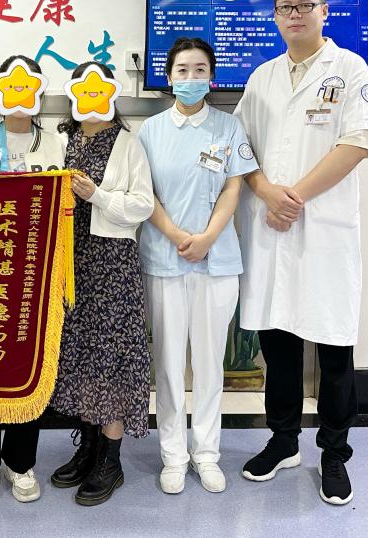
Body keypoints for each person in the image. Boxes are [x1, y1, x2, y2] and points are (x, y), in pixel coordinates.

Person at [233, 0, 368, 506]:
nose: (295, 14)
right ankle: (282, 442)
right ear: (275, 17)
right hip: (270, 230)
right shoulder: (263, 77)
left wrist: (292, 197)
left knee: (334, 348)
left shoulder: (349, 69)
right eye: (286, 8)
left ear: (325, 11)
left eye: (305, 5)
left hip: (322, 231)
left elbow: (359, 142)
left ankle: (334, 454)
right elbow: (240, 147)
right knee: (277, 345)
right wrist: (265, 192)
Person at [137, 37, 257, 495]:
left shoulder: (228, 127)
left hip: (217, 260)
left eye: (200, 70)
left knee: (209, 364)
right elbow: (145, 193)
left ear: (212, 78)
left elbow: (234, 189)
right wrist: (175, 235)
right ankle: (173, 455)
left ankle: (207, 454)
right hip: (164, 258)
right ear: (169, 77)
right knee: (168, 365)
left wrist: (206, 239)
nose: (191, 78)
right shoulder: (149, 131)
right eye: (183, 70)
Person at [0, 55, 67, 508]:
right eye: (12, 85)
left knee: (29, 368)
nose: (20, 94)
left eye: (29, 86)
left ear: (39, 93)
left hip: (37, 276)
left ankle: (21, 463)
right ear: (0, 90)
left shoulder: (56, 146)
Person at [49, 62, 154, 507]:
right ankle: (88, 447)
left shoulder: (128, 143)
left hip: (112, 264)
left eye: (99, 90)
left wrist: (97, 195)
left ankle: (111, 460)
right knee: (80, 355)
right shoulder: (62, 139)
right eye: (84, 90)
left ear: (111, 95)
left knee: (111, 356)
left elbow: (143, 205)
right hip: (69, 264)